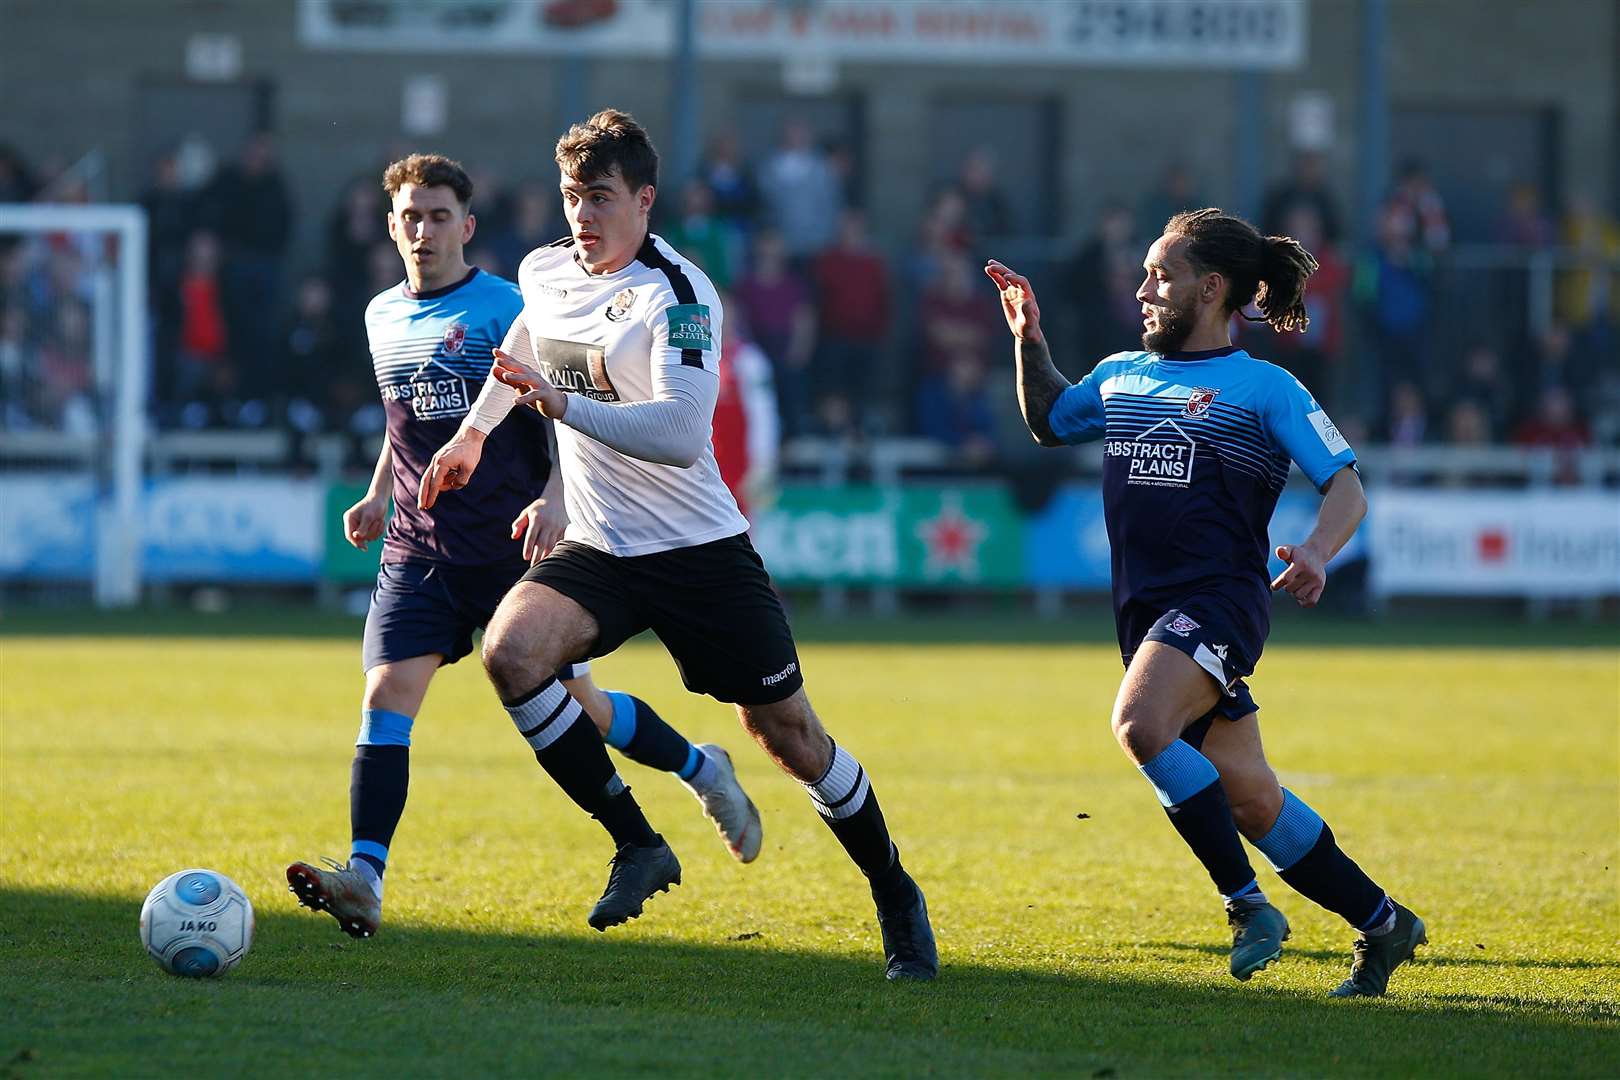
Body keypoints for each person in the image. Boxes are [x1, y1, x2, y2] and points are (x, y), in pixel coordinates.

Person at [418, 110, 936, 979]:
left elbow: (683, 432)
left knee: (792, 736)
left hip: (699, 554)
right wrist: (475, 431)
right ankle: (637, 842)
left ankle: (894, 891)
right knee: (511, 655)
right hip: (599, 547)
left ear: (645, 200)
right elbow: (523, 342)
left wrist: (560, 404)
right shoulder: (545, 271)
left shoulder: (681, 295)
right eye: (573, 197)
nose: (584, 215)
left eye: (603, 198)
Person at [286, 153, 762, 940]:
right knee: (385, 699)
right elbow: (406, 420)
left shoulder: (510, 303)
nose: (423, 230)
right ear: (391, 225)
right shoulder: (379, 315)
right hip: (419, 544)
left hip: (512, 547)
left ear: (467, 227)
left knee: (581, 705)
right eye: (410, 215)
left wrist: (553, 501)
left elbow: (564, 419)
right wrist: (378, 490)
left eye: (440, 216)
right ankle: (365, 877)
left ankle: (700, 767)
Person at [984, 207, 1426, 998]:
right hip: (1149, 621)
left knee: (1138, 725)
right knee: (1253, 802)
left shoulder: (1264, 387)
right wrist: (1029, 338)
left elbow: (1347, 484)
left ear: (1212, 288)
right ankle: (1386, 923)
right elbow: (1051, 420)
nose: (1145, 287)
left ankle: (1246, 905)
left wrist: (1319, 550)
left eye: (1162, 275)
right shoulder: (1122, 374)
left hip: (1220, 603)